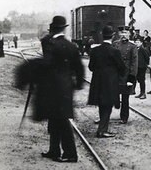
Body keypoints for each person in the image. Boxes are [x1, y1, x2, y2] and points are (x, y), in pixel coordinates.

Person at [39, 16, 84, 163]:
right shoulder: (71, 46)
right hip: (65, 88)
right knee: (56, 118)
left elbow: (46, 65)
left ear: (52, 29)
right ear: (64, 28)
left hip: (52, 87)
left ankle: (71, 154)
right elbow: (79, 68)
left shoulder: (49, 43)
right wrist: (76, 85)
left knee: (61, 121)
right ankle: (54, 150)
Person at [87, 26, 126, 138]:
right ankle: (102, 130)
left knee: (102, 105)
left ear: (102, 36)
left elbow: (91, 67)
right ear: (113, 36)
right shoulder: (115, 51)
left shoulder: (95, 50)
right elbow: (122, 68)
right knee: (107, 106)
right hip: (110, 83)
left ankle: (102, 129)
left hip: (97, 83)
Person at [113, 28, 138, 124]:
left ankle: (124, 117)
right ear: (119, 34)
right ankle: (104, 116)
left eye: (126, 33)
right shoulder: (115, 44)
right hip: (115, 74)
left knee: (125, 97)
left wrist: (131, 77)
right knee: (110, 95)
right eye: (122, 33)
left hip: (126, 75)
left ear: (129, 34)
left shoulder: (132, 46)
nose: (124, 35)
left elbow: (134, 63)